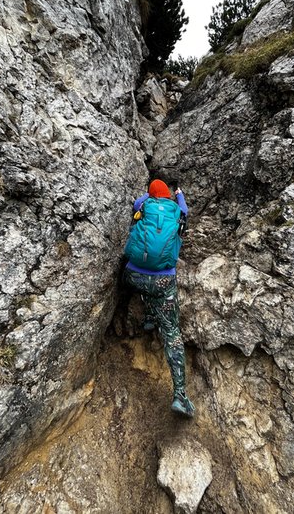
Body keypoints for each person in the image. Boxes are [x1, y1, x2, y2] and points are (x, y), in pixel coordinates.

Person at [123, 179, 195, 417]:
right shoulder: (178, 211)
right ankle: (180, 397)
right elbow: (184, 208)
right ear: (169, 197)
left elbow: (137, 202)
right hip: (163, 279)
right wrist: (179, 195)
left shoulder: (143, 206)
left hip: (132, 274)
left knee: (145, 286)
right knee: (172, 332)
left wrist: (148, 195)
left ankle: (150, 316)